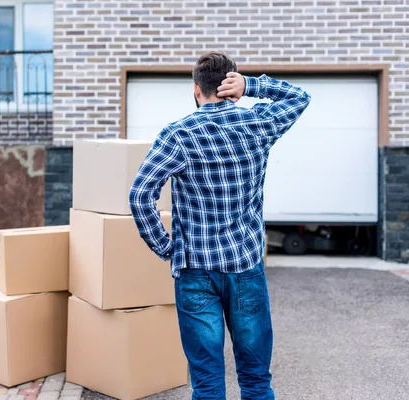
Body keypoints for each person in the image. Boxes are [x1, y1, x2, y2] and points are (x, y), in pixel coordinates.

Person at [128, 52, 311, 400]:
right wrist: (252, 85)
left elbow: (140, 196)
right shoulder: (257, 124)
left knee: (208, 383)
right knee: (256, 380)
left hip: (195, 270)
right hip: (246, 267)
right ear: (230, 86)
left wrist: (166, 248)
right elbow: (299, 97)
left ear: (197, 89)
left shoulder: (178, 134)